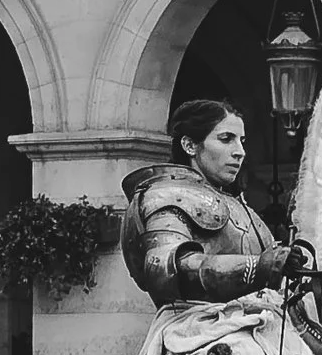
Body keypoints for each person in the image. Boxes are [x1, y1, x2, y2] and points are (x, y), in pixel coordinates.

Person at [121, 99, 304, 305]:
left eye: (241, 141)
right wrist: (259, 266)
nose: (240, 152)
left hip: (260, 317)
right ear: (190, 145)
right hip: (195, 325)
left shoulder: (240, 206)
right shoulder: (166, 196)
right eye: (226, 139)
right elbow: (168, 268)